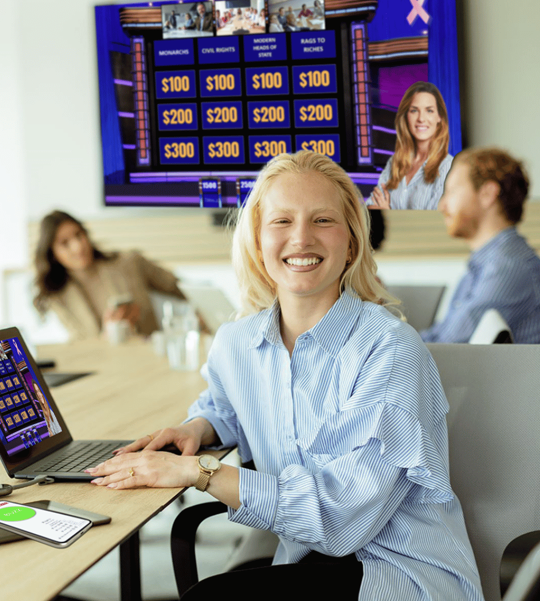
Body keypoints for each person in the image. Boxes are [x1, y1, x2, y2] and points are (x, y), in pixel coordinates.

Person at [86, 151, 484, 600]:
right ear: (257, 241)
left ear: (351, 243)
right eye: (281, 221)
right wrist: (198, 427)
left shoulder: (389, 348)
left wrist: (198, 472)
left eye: (322, 220)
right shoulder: (238, 343)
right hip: (306, 558)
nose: (301, 238)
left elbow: (339, 522)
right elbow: (227, 404)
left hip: (396, 572)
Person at [421, 148, 540, 343]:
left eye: (452, 191)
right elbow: (440, 336)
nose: (442, 205)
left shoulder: (509, 267)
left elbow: (449, 344)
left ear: (487, 194)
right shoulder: (488, 264)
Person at [33, 210, 188, 341]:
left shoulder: (130, 262)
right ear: (53, 254)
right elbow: (81, 344)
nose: (78, 246)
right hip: (103, 367)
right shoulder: (57, 296)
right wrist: (107, 335)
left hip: (149, 354)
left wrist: (200, 314)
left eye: (79, 235)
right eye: (65, 243)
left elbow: (183, 288)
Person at [369, 81, 453, 210]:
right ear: (406, 116)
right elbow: (370, 208)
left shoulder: (447, 167)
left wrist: (388, 214)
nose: (421, 119)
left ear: (439, 117)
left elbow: (435, 224)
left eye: (429, 111)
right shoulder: (394, 162)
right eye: (414, 110)